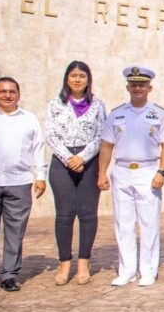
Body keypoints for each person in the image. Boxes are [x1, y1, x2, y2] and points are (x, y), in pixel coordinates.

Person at [0, 77, 47, 294]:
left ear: (18, 94)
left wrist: (40, 175)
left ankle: (9, 275)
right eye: (2, 91)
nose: (7, 95)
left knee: (15, 231)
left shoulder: (29, 119)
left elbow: (38, 148)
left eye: (12, 91)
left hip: (19, 182)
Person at [97, 66, 164, 287]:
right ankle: (126, 270)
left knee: (149, 223)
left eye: (142, 84)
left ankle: (148, 270)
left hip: (148, 171)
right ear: (128, 87)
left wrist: (161, 171)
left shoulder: (159, 113)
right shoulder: (117, 113)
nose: (138, 88)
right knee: (123, 223)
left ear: (150, 87)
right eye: (134, 84)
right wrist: (102, 173)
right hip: (122, 170)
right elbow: (107, 145)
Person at [45, 61, 107, 286]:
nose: (78, 79)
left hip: (88, 162)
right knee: (64, 215)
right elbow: (51, 135)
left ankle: (83, 261)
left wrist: (82, 157)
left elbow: (102, 135)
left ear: (88, 80)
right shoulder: (55, 104)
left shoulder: (98, 105)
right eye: (73, 75)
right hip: (62, 161)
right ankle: (64, 262)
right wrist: (69, 159)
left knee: (88, 214)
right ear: (67, 79)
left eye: (82, 76)